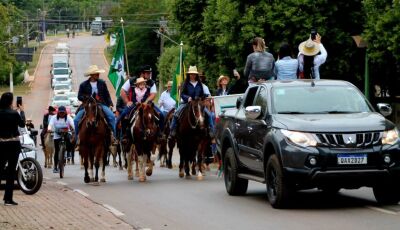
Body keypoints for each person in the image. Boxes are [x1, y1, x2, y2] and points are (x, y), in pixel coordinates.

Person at [119, 65, 164, 136]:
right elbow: (122, 91)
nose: (149, 74)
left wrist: (146, 101)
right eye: (147, 73)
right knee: (123, 115)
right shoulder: (131, 80)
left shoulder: (152, 83)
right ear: (142, 73)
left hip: (148, 105)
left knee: (161, 115)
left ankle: (160, 134)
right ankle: (124, 135)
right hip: (134, 104)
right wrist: (127, 102)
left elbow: (153, 94)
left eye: (150, 73)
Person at [169, 65, 214, 138]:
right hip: (187, 103)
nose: (192, 75)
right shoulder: (185, 83)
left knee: (209, 114)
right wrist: (188, 98)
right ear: (189, 74)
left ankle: (211, 130)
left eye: (194, 74)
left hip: (198, 103)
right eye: (191, 74)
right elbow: (182, 94)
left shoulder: (199, 84)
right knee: (176, 113)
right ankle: (173, 129)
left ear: (196, 75)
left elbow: (202, 94)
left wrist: (206, 95)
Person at [74, 65, 116, 140]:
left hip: (101, 104)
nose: (98, 75)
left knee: (112, 117)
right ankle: (77, 138)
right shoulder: (83, 85)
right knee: (76, 120)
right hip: (88, 105)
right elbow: (79, 96)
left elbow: (107, 94)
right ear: (92, 75)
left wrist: (110, 104)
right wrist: (86, 98)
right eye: (96, 73)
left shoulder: (102, 83)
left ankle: (115, 136)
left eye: (98, 73)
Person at [0, 92, 25, 206]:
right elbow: (22, 124)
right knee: (11, 172)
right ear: (11, 101)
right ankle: (8, 199)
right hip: (14, 144)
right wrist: (22, 111)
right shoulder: (15, 113)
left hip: (2, 144)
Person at [48, 106, 74, 173]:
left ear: (65, 112)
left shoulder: (68, 117)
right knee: (56, 151)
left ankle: (68, 153)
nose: (61, 114)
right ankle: (55, 167)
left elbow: (72, 124)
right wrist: (49, 128)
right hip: (57, 135)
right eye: (60, 112)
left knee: (70, 140)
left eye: (63, 112)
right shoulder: (54, 118)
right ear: (58, 112)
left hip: (66, 134)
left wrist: (74, 129)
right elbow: (50, 124)